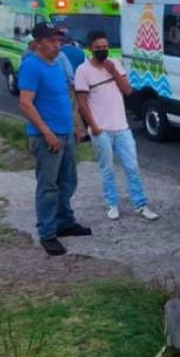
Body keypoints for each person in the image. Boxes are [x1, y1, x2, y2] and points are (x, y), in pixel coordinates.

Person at [18, 22, 91, 256]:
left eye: (58, 40)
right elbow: (25, 104)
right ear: (37, 43)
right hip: (46, 137)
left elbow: (65, 97)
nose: (56, 45)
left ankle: (64, 222)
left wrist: (77, 127)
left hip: (66, 133)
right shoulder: (32, 66)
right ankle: (48, 233)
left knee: (68, 181)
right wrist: (47, 133)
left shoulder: (57, 64)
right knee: (48, 186)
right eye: (51, 41)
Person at [75, 30, 159, 221]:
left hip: (122, 127)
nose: (102, 50)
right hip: (101, 129)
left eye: (105, 47)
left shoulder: (115, 64)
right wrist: (93, 126)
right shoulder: (83, 70)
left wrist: (113, 72)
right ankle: (112, 204)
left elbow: (128, 91)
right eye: (98, 48)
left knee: (132, 167)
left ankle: (141, 204)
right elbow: (82, 102)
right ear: (90, 49)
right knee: (107, 169)